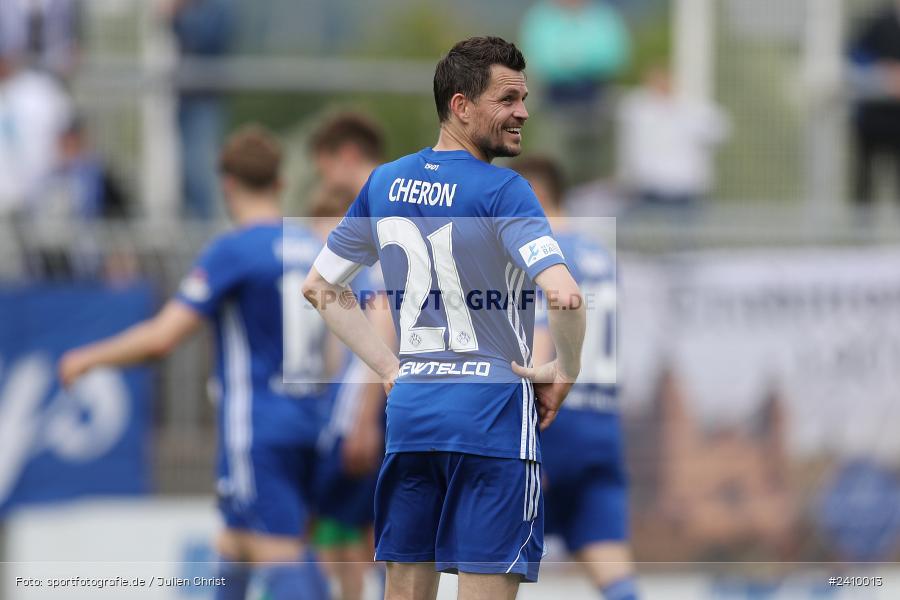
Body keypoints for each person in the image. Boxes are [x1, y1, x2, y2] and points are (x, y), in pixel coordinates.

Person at [302, 36, 586, 600]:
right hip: (492, 423)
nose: (522, 112)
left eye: (524, 98)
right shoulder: (506, 191)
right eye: (507, 99)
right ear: (461, 106)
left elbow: (320, 286)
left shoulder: (383, 183)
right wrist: (565, 368)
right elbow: (565, 296)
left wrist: (389, 368)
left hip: (411, 419)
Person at [58, 125, 331, 600]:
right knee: (234, 540)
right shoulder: (310, 246)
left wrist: (89, 357)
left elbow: (163, 338)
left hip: (257, 428)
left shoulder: (234, 249)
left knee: (274, 548)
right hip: (309, 419)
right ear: (281, 183)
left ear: (227, 184)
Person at [513, 155, 639, 600]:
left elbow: (539, 348)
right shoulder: (602, 257)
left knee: (492, 568)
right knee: (613, 572)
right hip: (601, 428)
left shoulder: (542, 256)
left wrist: (522, 434)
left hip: (551, 425)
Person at [308, 115, 390, 600]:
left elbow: (383, 315)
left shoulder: (376, 214)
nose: (325, 186)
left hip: (379, 401)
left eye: (326, 172)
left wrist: (363, 417)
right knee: (367, 532)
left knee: (361, 531)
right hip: (395, 397)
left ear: (348, 158)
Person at [616, 65, 728, 218]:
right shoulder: (637, 107)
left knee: (684, 234)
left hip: (684, 184)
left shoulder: (692, 108)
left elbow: (718, 132)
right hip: (647, 182)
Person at [847, 1, 900, 208]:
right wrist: (883, 76)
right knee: (864, 185)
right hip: (874, 121)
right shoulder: (879, 23)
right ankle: (860, 237)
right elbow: (855, 57)